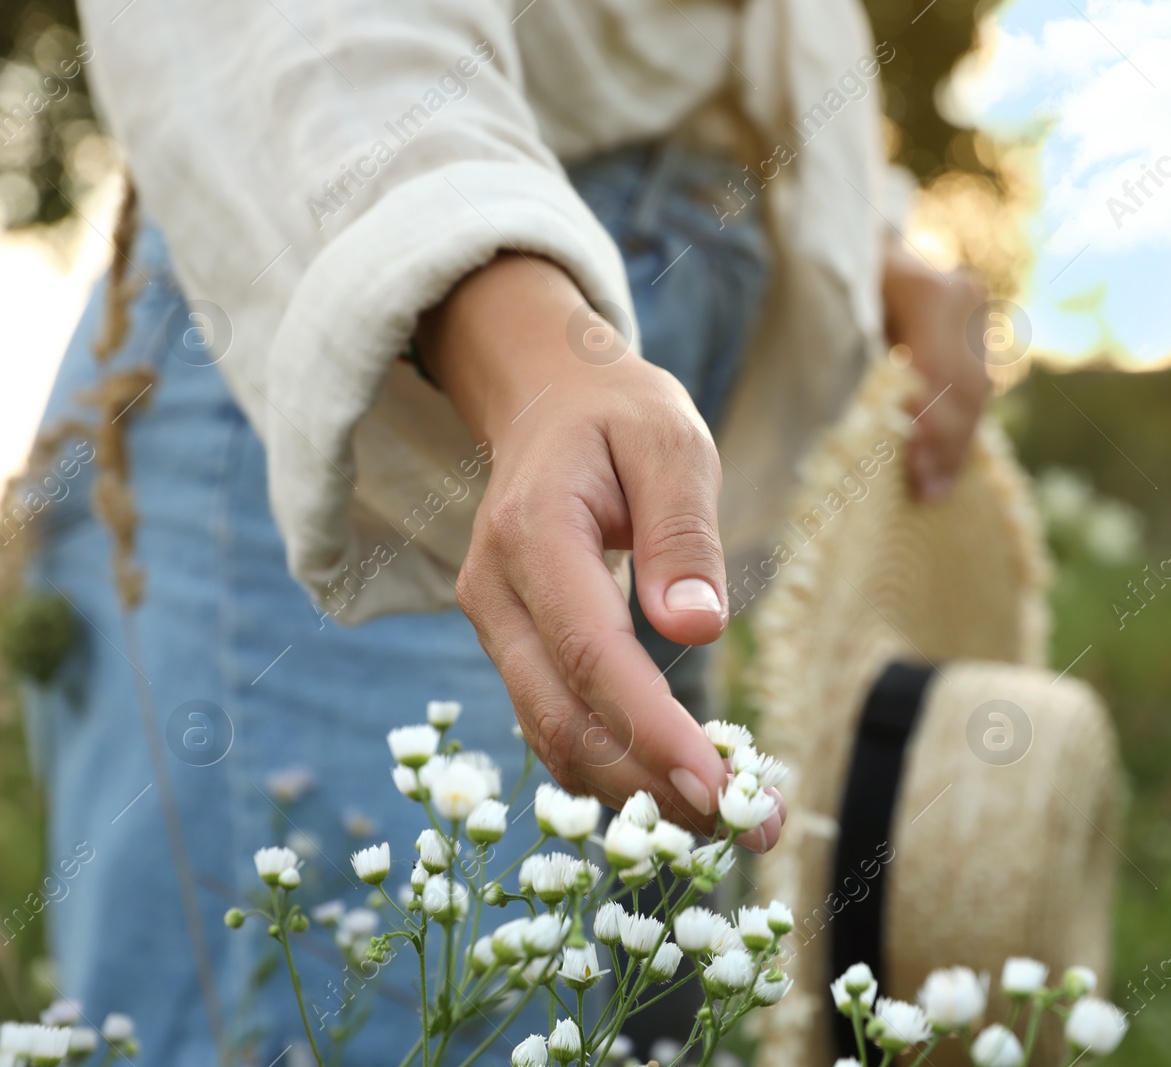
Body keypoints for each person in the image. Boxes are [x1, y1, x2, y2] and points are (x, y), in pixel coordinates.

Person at [19, 1, 989, 1063]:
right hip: (359, 347)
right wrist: (530, 351)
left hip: (628, 375)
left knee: (625, 1025)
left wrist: (856, 236)